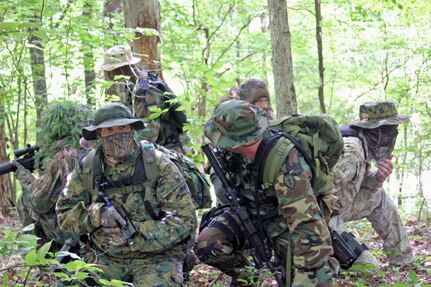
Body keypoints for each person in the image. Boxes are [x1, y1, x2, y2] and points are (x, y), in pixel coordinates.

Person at [196, 100, 338, 286]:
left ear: (239, 141)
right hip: (248, 213)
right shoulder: (230, 153)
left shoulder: (286, 163)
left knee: (312, 278)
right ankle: (249, 277)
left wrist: (306, 274)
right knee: (207, 244)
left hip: (283, 223)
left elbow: (306, 224)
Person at [56, 103, 197, 286]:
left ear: (132, 129)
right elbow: (64, 213)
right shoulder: (87, 168)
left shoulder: (158, 164)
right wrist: (98, 214)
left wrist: (134, 235)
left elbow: (185, 219)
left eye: (122, 127)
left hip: (157, 257)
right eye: (109, 129)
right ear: (99, 134)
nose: (117, 134)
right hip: (105, 258)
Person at [329, 101, 415, 269]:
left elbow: (352, 182)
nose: (392, 135)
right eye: (388, 130)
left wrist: (377, 177)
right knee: (368, 267)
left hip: (337, 209)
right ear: (375, 131)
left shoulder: (362, 145)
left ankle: (403, 262)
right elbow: (318, 197)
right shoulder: (352, 150)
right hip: (320, 219)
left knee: (378, 196)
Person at [13, 100, 92, 251]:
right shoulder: (92, 150)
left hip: (77, 233)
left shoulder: (66, 158)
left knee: (25, 200)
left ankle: (39, 259)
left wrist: (24, 177)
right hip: (96, 223)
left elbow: (40, 203)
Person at [99, 44, 192, 154]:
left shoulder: (145, 90)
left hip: (173, 149)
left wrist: (123, 147)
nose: (109, 74)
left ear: (122, 68)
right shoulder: (133, 85)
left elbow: (149, 133)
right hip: (161, 148)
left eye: (111, 69)